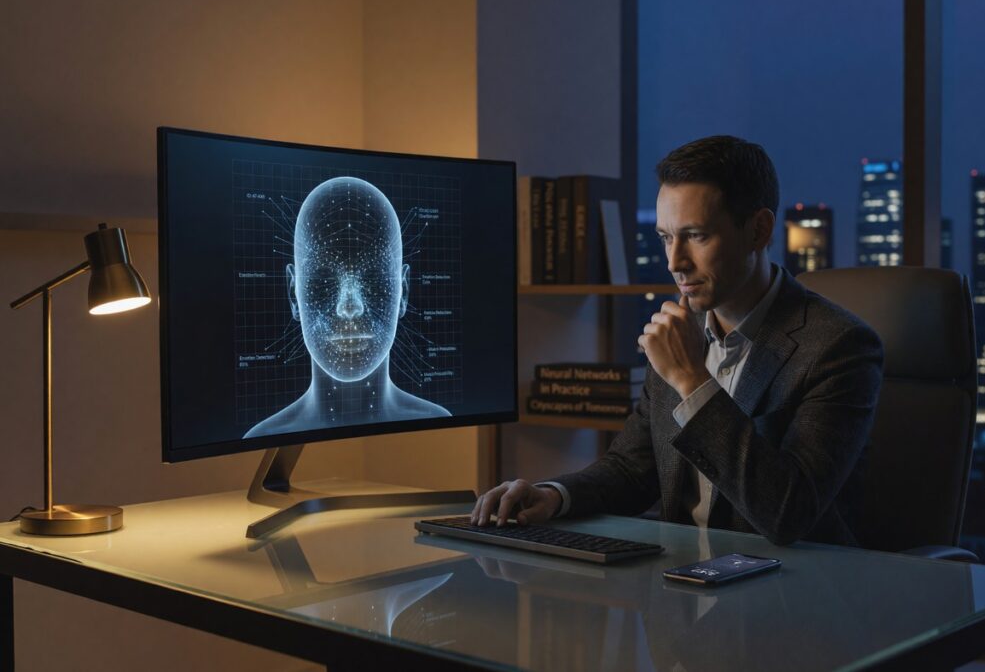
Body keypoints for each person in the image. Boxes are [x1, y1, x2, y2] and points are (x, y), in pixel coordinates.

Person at [471, 135, 883, 546]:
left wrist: (692, 381)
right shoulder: (683, 328)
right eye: (667, 237)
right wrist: (553, 496)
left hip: (789, 593)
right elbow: (633, 470)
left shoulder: (838, 347)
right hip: (680, 588)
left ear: (758, 230)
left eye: (697, 236)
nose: (674, 263)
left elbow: (787, 513)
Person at [245, 176, 450, 438]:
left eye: (374, 279)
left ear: (404, 291)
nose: (350, 307)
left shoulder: (438, 424)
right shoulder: (260, 441)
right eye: (323, 281)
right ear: (293, 294)